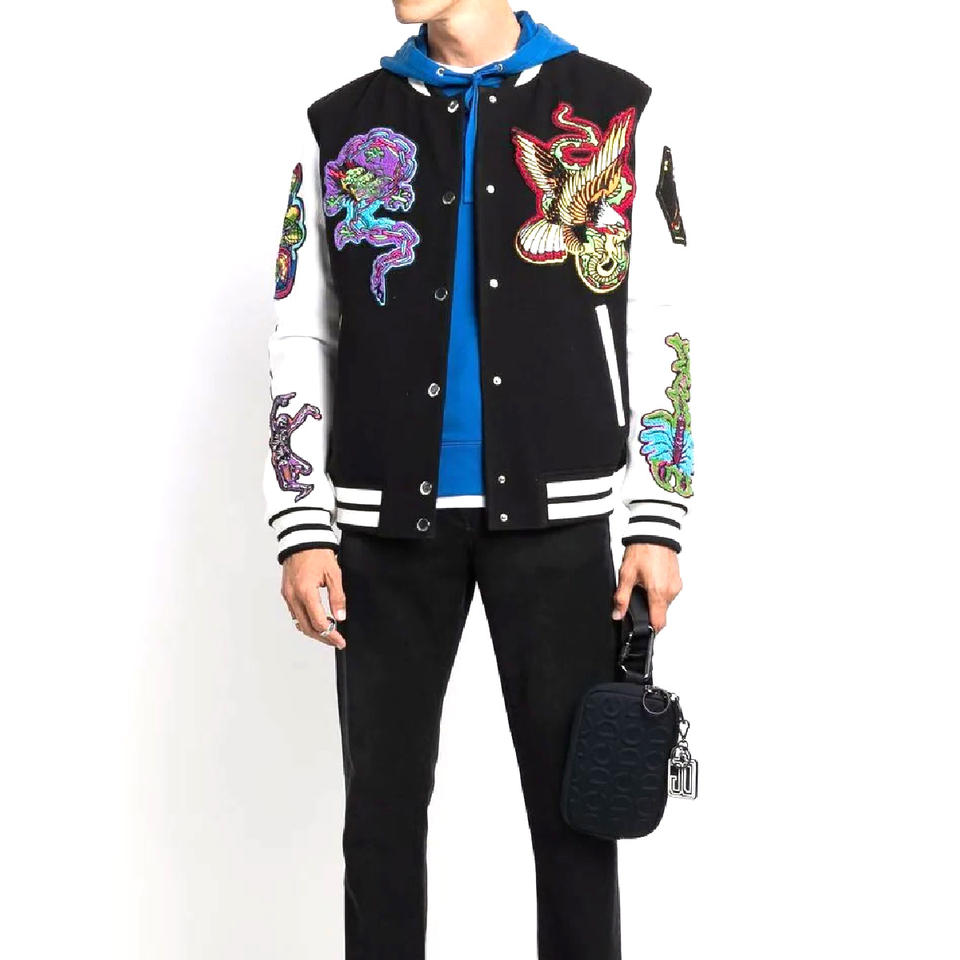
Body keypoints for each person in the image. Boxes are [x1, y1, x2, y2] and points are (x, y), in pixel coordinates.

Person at [262, 2, 694, 957]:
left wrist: (656, 517)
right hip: (380, 527)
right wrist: (302, 520)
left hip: (559, 518)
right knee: (379, 826)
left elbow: (662, 319)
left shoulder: (618, 108)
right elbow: (301, 326)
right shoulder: (338, 123)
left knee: (578, 822)